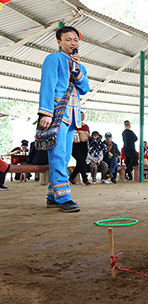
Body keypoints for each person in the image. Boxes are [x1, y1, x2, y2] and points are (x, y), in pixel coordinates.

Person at [37, 26, 90, 213]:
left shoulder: (80, 66)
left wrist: (76, 71)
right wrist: (45, 112)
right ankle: (64, 196)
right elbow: (47, 85)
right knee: (58, 155)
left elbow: (85, 89)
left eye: (75, 39)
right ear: (59, 42)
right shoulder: (54, 59)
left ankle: (53, 195)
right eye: (68, 39)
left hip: (72, 116)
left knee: (65, 156)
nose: (73, 43)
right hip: (57, 113)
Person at [69, 111, 91, 185]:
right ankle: (85, 180)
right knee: (82, 162)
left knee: (80, 164)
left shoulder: (86, 126)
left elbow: (88, 136)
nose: (82, 117)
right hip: (76, 146)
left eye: (83, 115)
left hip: (84, 145)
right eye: (80, 115)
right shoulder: (74, 125)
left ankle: (71, 178)